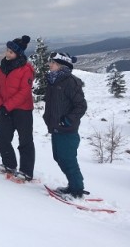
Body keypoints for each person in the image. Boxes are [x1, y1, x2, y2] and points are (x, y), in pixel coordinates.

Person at [43, 52, 87, 198]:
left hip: (67, 129)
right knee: (59, 157)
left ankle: (76, 189)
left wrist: (68, 120)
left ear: (62, 66)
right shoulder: (53, 81)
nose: (50, 65)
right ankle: (72, 185)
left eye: (53, 63)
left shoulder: (70, 82)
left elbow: (81, 106)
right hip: (56, 128)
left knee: (68, 159)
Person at [0, 35, 35, 181]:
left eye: (11, 52)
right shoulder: (1, 69)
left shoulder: (26, 69)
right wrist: (1, 106)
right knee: (0, 137)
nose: (7, 54)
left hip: (23, 110)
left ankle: (26, 172)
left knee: (25, 141)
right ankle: (9, 165)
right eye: (7, 51)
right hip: (5, 110)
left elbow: (24, 92)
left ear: (18, 54)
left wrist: (8, 105)